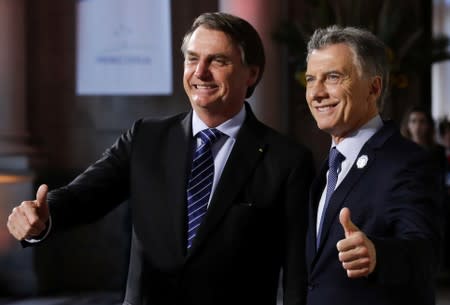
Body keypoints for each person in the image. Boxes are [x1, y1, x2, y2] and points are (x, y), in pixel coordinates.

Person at [6, 12, 314, 305]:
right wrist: (43, 218)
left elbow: (297, 272)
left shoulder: (287, 160)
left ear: (252, 73)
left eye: (217, 61)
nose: (200, 72)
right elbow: (84, 197)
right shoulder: (146, 138)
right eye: (192, 59)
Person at [303, 25, 441, 305]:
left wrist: (378, 254)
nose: (316, 92)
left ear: (374, 87)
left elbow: (426, 252)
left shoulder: (408, 162)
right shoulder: (327, 166)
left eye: (332, 77)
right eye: (309, 79)